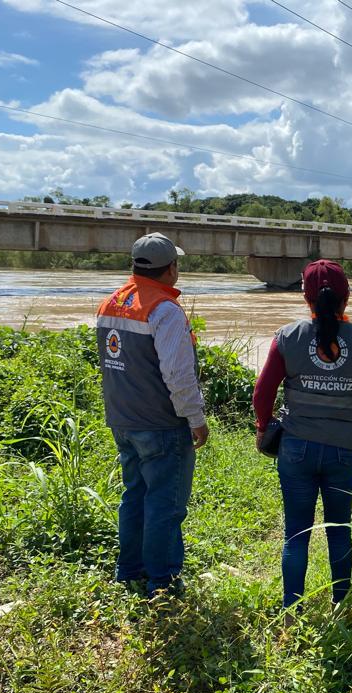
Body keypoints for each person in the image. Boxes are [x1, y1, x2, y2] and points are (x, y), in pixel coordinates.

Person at [252, 259, 352, 611]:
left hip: (296, 450)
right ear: (346, 298)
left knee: (296, 534)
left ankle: (291, 613)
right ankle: (342, 608)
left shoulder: (287, 337)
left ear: (305, 298)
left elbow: (262, 394)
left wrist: (263, 429)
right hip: (343, 451)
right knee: (339, 532)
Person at [96, 232, 209, 598]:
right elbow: (178, 374)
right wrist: (195, 417)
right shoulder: (164, 310)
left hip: (123, 420)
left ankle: (128, 571)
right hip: (161, 424)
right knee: (166, 503)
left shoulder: (110, 303)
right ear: (172, 268)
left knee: (134, 495)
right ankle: (162, 581)